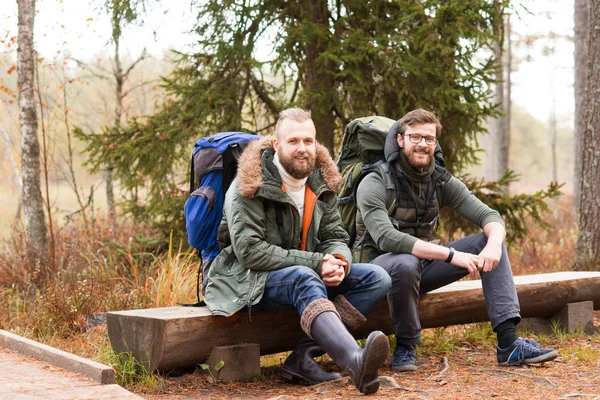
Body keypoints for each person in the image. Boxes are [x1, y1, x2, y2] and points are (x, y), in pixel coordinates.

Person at [204, 108, 392, 394]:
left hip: (305, 275)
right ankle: (355, 359)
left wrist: (338, 260)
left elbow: (336, 235)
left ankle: (303, 357)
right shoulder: (249, 185)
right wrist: (318, 263)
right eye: (293, 141)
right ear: (276, 144)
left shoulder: (320, 183)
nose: (302, 149)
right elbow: (250, 252)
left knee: (377, 277)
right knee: (303, 275)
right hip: (248, 280)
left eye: (308, 141)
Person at [354, 109, 558, 372]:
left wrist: (494, 244)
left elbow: (488, 214)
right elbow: (385, 236)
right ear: (400, 140)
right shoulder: (375, 180)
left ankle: (509, 344)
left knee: (488, 239)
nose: (423, 145)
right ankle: (406, 345)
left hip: (423, 266)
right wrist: (450, 254)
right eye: (415, 137)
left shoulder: (438, 180)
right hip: (377, 272)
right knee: (405, 262)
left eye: (429, 139)